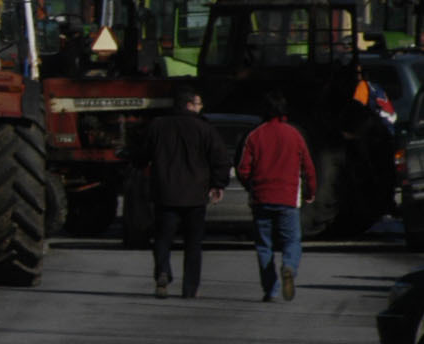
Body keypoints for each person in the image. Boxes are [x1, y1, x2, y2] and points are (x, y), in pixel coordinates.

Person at [129, 83, 231, 298]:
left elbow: (140, 154)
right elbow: (220, 158)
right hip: (195, 195)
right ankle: (190, 288)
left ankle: (163, 272)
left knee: (162, 239)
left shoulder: (157, 126)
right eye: (198, 103)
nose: (201, 107)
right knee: (193, 244)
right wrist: (218, 184)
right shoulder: (205, 129)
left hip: (165, 194)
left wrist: (138, 165)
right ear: (188, 105)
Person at [235, 90, 317, 302]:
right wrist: (310, 191)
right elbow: (308, 167)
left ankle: (270, 290)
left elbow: (243, 169)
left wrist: (251, 187)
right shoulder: (294, 135)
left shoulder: (255, 135)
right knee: (292, 241)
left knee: (264, 245)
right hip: (288, 198)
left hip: (261, 198)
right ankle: (289, 266)